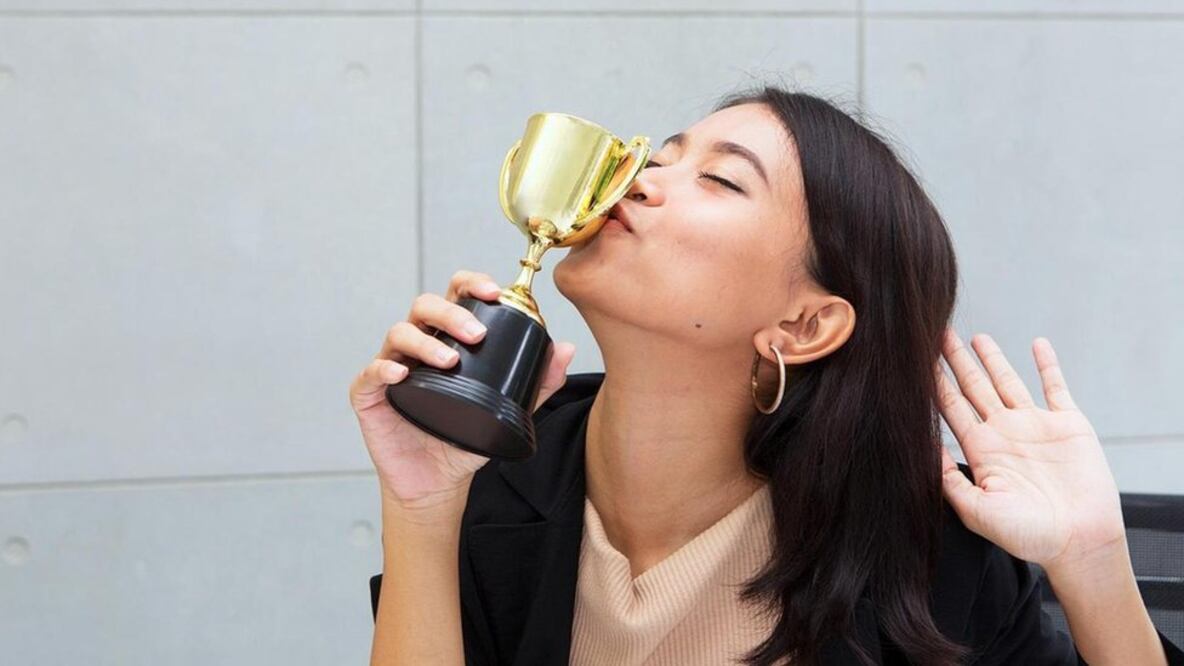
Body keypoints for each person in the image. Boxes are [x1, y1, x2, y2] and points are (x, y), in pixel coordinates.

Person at [349, 86, 1184, 665]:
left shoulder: (922, 555)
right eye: (662, 155)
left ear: (806, 324)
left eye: (717, 178)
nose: (636, 180)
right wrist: (423, 508)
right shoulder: (496, 479)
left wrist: (1095, 559)